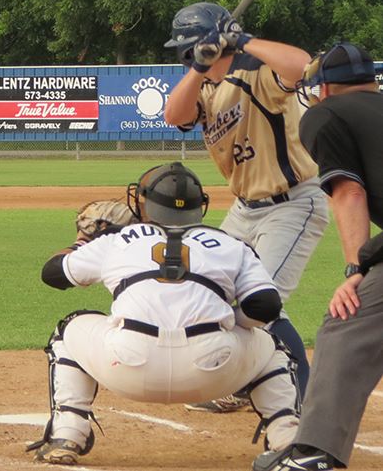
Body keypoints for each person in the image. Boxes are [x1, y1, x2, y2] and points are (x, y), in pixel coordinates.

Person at [26, 162, 302, 466]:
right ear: (201, 207)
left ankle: (67, 435)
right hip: (214, 370)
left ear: (145, 203)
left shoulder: (119, 239)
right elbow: (265, 306)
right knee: (273, 346)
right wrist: (230, 323)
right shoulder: (230, 243)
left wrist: (84, 243)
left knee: (68, 329)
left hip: (127, 366)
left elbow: (52, 274)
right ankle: (287, 440)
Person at [162, 2, 327, 408]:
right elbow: (173, 115)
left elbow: (301, 64)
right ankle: (230, 385)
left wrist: (243, 40)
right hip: (244, 208)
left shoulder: (257, 72)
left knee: (261, 304)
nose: (183, 54)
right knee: (208, 293)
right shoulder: (203, 85)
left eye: (187, 48)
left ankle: (301, 402)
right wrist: (200, 67)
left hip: (293, 203)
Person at [253, 42, 383, 471]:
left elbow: (349, 191)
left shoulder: (325, 115)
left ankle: (316, 453)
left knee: (346, 324)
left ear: (323, 88)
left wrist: (356, 269)